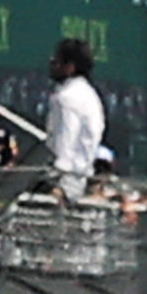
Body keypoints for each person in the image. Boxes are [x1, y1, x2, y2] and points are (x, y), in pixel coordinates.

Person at [42, 35, 107, 201]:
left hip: (64, 183)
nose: (52, 64)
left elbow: (66, 143)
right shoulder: (90, 94)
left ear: (70, 67)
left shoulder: (67, 98)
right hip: (79, 178)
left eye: (57, 60)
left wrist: (57, 187)